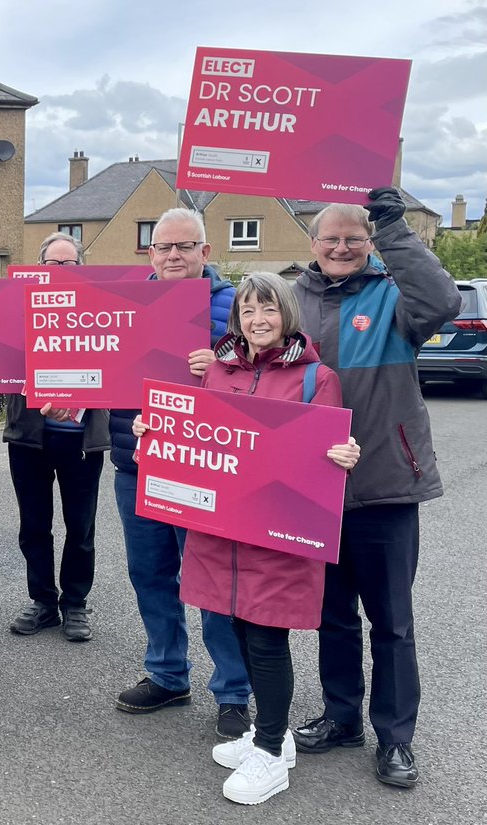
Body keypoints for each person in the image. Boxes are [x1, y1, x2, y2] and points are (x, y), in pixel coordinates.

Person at [134, 272, 361, 804]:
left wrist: (344, 457)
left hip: (275, 532)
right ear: (237, 317)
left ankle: (268, 750)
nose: (259, 320)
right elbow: (198, 438)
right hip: (221, 530)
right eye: (249, 310)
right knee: (233, 626)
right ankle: (275, 738)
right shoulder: (217, 369)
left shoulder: (316, 377)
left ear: (288, 315)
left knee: (265, 638)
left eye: (270, 310)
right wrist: (154, 435)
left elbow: (325, 451)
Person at [289, 187, 461, 788]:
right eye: (330, 238)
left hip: (385, 482)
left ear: (369, 244)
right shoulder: (292, 301)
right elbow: (253, 367)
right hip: (314, 489)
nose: (340, 247)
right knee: (332, 617)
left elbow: (442, 298)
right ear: (313, 244)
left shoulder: (396, 298)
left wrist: (393, 225)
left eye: (353, 238)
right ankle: (341, 719)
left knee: (391, 622)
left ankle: (395, 739)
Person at [109, 207, 252, 739]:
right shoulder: (126, 302)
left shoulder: (239, 306)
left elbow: (268, 379)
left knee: (212, 581)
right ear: (150, 253)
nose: (173, 255)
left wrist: (219, 369)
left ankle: (234, 691)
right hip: (137, 461)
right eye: (164, 246)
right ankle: (167, 674)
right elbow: (103, 368)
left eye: (184, 247)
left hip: (203, 468)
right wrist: (69, 398)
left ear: (205, 253)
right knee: (150, 575)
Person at [4, 232, 107, 642]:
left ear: (81, 269)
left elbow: (117, 364)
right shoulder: (17, 309)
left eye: (69, 265)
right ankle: (44, 601)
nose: (60, 272)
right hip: (30, 436)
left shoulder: (103, 310)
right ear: (39, 269)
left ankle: (76, 603)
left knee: (80, 527)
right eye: (52, 265)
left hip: (82, 438)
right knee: (34, 525)